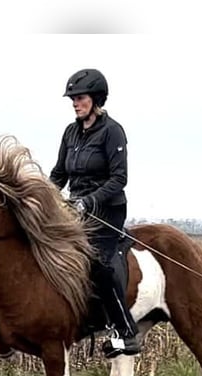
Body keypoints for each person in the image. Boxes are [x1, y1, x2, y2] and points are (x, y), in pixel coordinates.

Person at [49, 68, 142, 358]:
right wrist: (43, 196)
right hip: (74, 210)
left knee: (97, 263)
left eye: (80, 98)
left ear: (96, 99)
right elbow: (60, 173)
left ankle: (126, 332)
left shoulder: (112, 131)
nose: (75, 103)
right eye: (73, 99)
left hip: (106, 212)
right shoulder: (70, 132)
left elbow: (119, 178)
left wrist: (90, 201)